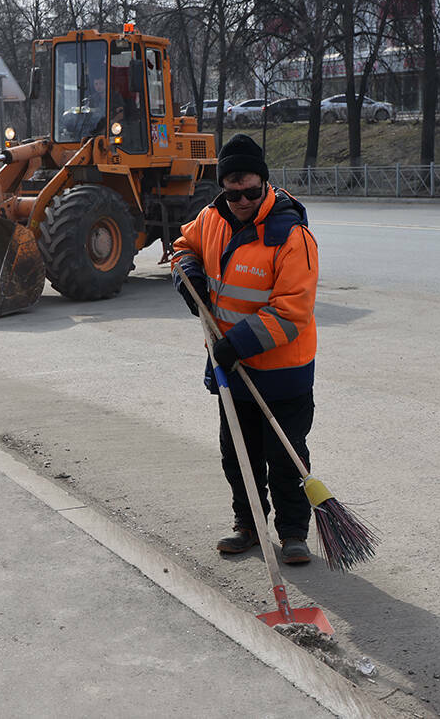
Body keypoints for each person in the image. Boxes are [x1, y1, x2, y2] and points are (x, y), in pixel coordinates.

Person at [171, 134, 320, 565]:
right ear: (223, 188)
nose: (241, 201)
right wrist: (190, 278)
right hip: (231, 370)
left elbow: (292, 311)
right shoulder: (211, 219)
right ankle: (249, 525)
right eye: (232, 192)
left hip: (282, 370)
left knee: (285, 458)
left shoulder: (291, 236)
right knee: (238, 454)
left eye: (251, 192)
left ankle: (293, 534)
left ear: (265, 184)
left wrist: (238, 342)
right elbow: (182, 249)